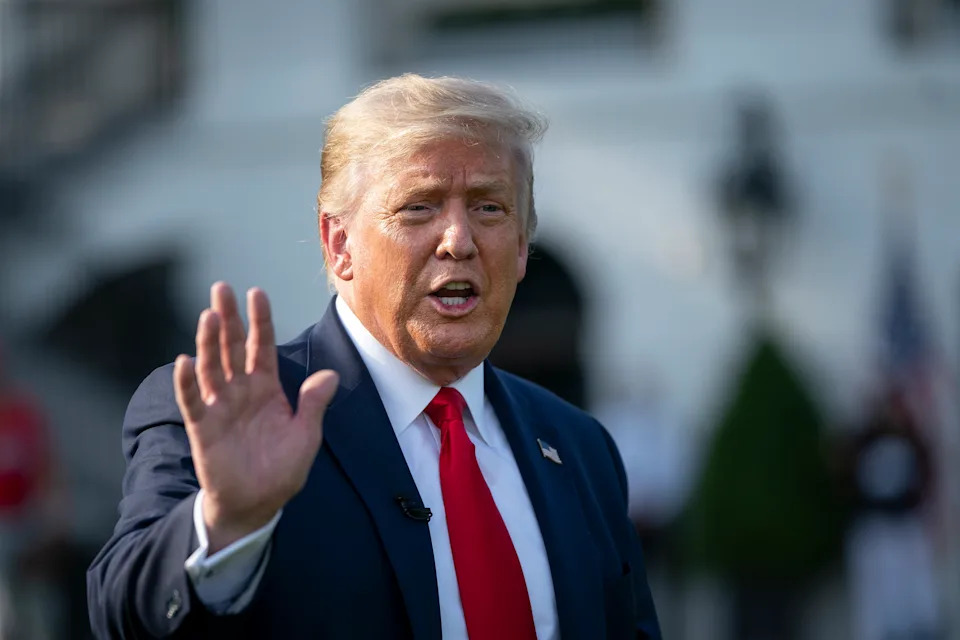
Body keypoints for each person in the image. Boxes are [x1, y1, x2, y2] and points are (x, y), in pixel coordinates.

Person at [87, 74, 661, 639]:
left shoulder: (581, 447)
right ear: (340, 245)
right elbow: (121, 615)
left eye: (489, 208)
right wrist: (225, 527)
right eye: (419, 207)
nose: (458, 239)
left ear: (519, 251)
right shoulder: (231, 416)